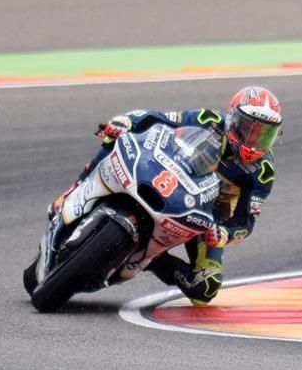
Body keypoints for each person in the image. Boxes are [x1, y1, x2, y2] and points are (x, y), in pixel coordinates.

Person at [50, 86, 282, 305]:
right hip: (175, 178)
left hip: (208, 215)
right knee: (114, 136)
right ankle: (75, 188)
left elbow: (245, 222)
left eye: (264, 134)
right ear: (233, 118)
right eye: (249, 129)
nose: (254, 140)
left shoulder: (262, 172)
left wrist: (222, 234)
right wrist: (127, 122)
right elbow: (160, 118)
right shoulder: (209, 120)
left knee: (204, 289)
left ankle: (152, 258)